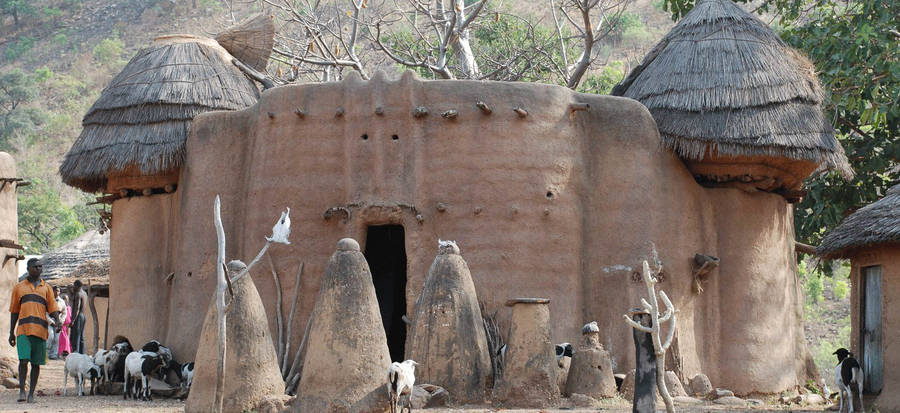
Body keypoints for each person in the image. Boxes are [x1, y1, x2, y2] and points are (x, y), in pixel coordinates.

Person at [9, 258, 60, 403]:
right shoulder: (19, 287)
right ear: (28, 268)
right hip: (23, 331)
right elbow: (14, 311)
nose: (39, 269)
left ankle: (31, 393)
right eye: (36, 266)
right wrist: (11, 332)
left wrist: (57, 321)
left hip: (40, 331)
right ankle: (22, 391)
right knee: (23, 361)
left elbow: (53, 308)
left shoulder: (47, 288)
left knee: (36, 364)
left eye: (40, 266)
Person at [69, 280, 88, 354]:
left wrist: (72, 320)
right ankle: (82, 353)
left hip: (78, 316)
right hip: (83, 316)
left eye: (74, 286)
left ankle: (75, 353)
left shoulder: (78, 294)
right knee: (81, 336)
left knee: (76, 336)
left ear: (77, 286)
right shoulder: (85, 293)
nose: (73, 287)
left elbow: (77, 308)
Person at [46, 287, 63, 360]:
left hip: (58, 322)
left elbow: (64, 312)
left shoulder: (62, 301)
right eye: (55, 291)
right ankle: (46, 353)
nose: (57, 292)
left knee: (57, 338)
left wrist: (61, 320)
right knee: (51, 336)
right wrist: (51, 321)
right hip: (50, 321)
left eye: (58, 291)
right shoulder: (48, 300)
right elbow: (45, 312)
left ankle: (54, 354)